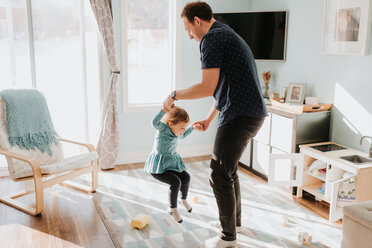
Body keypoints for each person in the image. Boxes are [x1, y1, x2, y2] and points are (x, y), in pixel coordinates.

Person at [163, 2, 268, 247]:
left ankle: (228, 237)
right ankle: (235, 226)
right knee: (228, 170)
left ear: (197, 21)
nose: (189, 35)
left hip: (241, 115)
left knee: (218, 173)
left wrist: (173, 94)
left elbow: (206, 87)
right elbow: (223, 88)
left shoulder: (211, 40)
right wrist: (210, 119)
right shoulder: (225, 32)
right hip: (249, 113)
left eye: (188, 29)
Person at [144, 106, 202, 223]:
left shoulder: (179, 133)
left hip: (171, 164)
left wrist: (192, 128)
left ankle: (183, 199)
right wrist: (164, 110)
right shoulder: (163, 128)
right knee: (176, 182)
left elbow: (184, 135)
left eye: (184, 127)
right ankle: (173, 208)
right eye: (182, 127)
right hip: (158, 167)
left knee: (186, 177)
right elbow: (154, 122)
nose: (183, 130)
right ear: (171, 124)